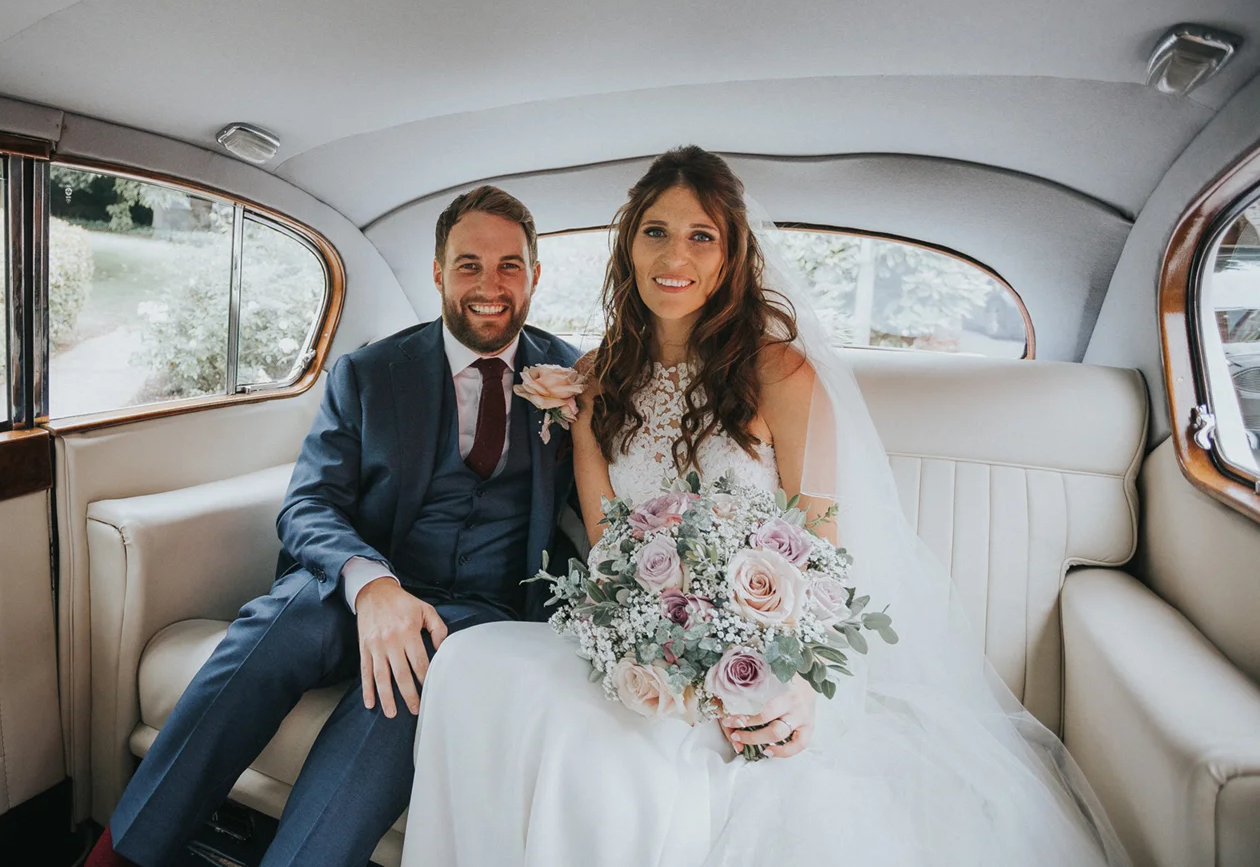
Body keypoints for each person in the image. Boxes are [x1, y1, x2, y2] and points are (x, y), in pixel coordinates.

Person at [401, 146, 1130, 866]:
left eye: (701, 236)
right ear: (629, 248)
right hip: (640, 645)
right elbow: (607, 550)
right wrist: (643, 643)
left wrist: (802, 684)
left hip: (763, 655)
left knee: (622, 771)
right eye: (655, 232)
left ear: (730, 256)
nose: (674, 256)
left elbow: (822, 550)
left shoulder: (780, 374)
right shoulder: (596, 380)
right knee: (470, 665)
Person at [88, 185, 581, 867]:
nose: (489, 286)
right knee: (278, 627)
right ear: (438, 272)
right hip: (358, 585)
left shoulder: (579, 379)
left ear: (535, 275)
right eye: (469, 264)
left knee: (399, 697)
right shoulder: (370, 373)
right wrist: (372, 584)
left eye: (510, 266)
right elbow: (308, 504)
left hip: (477, 614)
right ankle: (121, 854)